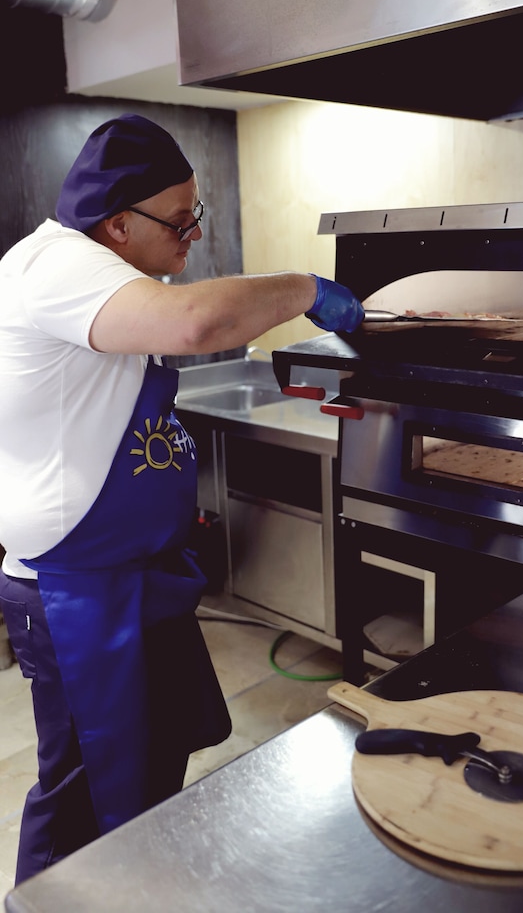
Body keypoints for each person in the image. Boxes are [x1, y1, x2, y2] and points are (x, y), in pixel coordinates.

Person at [0, 113, 363, 884]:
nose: (193, 233)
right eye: (180, 218)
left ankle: (137, 889)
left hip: (131, 576)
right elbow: (198, 322)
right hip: (77, 591)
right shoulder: (58, 266)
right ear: (118, 223)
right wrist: (305, 289)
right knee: (82, 792)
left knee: (150, 767)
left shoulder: (107, 276)